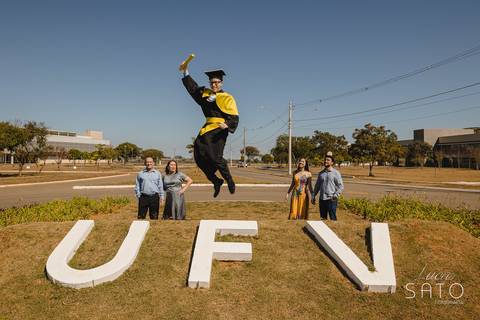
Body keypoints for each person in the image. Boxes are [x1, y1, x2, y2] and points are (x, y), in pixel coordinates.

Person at [179, 60, 239, 198]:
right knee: (198, 156)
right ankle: (216, 181)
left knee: (214, 157)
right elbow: (193, 89)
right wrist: (185, 71)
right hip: (207, 128)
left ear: (221, 83)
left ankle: (229, 180)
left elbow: (234, 116)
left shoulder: (227, 97)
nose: (214, 84)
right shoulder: (205, 94)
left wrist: (228, 125)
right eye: (212, 82)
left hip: (219, 129)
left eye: (217, 82)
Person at [311, 154, 344, 221]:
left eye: (328, 160)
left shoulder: (336, 173)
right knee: (323, 219)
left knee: (333, 218)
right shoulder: (321, 173)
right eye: (325, 160)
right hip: (322, 199)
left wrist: (335, 195)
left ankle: (335, 229)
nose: (325, 161)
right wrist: (313, 196)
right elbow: (317, 186)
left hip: (331, 199)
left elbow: (341, 186)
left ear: (332, 163)